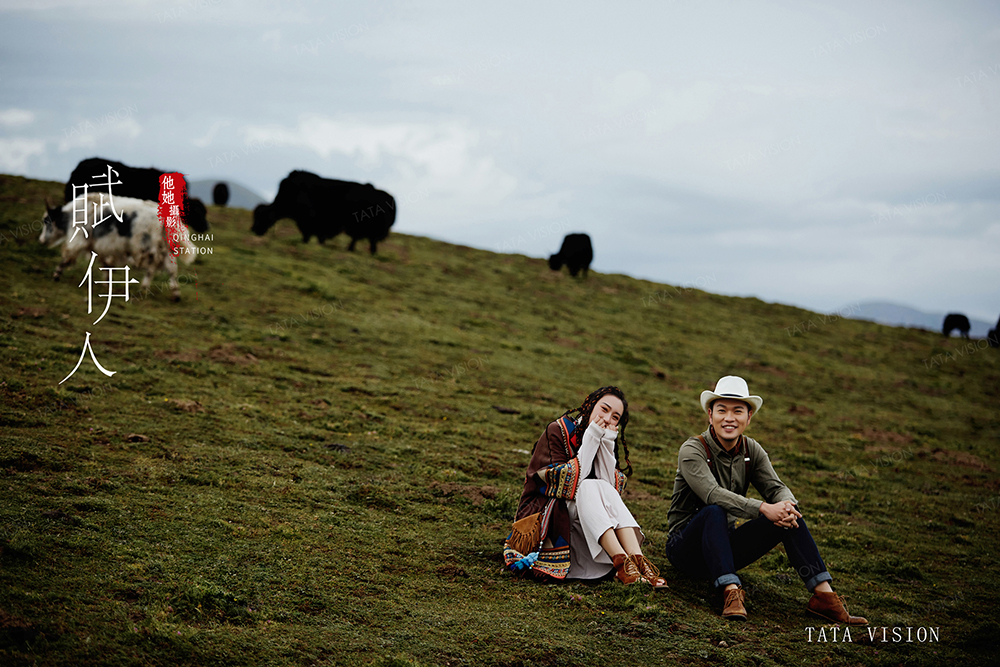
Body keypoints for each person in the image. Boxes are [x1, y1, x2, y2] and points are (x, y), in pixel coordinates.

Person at [664, 375, 867, 624]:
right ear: (710, 415)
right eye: (722, 410)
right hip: (685, 549)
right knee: (714, 510)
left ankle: (824, 597)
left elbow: (777, 488)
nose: (729, 418)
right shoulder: (692, 450)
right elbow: (712, 493)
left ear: (748, 417)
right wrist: (762, 508)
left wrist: (787, 506)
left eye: (738, 411)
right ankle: (730, 592)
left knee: (787, 514)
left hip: (723, 549)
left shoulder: (752, 450)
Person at [503, 386, 667, 587]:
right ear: (590, 406)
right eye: (604, 409)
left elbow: (611, 491)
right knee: (588, 486)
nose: (607, 419)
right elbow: (570, 485)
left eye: (615, 417)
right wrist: (592, 436)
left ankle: (636, 562)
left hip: (589, 524)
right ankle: (622, 562)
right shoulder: (558, 430)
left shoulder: (606, 437)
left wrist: (607, 443)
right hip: (550, 516)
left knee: (600, 487)